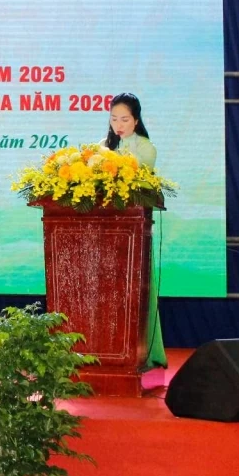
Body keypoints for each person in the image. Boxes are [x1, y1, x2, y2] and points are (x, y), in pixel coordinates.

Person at [104, 92, 165, 368]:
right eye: (114, 119)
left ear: (136, 120)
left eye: (125, 119)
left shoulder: (146, 149)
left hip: (133, 232)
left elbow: (135, 182)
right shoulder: (103, 148)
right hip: (105, 231)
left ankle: (139, 353)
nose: (119, 125)